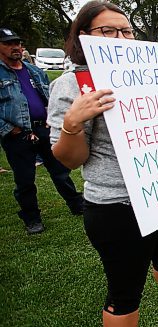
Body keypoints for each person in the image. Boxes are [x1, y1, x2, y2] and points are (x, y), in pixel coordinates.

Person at [46, 1, 158, 327]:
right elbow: (69, 159)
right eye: (107, 31)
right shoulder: (74, 85)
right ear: (84, 36)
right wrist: (72, 122)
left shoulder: (153, 76)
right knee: (125, 291)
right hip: (117, 206)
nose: (121, 38)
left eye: (126, 30)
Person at [0, 27, 83, 235]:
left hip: (43, 129)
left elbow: (49, 96)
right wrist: (10, 129)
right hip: (18, 135)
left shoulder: (33, 71)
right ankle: (32, 218)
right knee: (25, 179)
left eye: (17, 43)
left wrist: (50, 118)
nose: (16, 47)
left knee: (61, 172)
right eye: (9, 44)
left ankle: (76, 204)